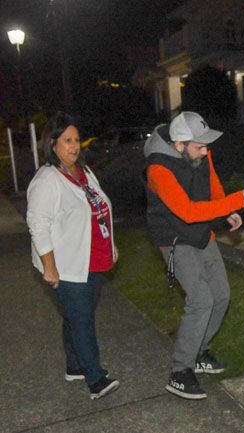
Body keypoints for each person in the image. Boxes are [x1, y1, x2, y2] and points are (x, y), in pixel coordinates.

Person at [144, 111, 244, 400]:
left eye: (206, 145)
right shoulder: (158, 170)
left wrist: (228, 209)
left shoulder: (199, 154)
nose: (206, 151)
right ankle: (180, 371)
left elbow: (211, 184)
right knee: (201, 300)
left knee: (221, 295)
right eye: (200, 146)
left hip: (201, 234)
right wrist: (239, 200)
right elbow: (186, 212)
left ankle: (199, 352)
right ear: (179, 145)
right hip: (175, 238)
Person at [26, 111, 120, 400]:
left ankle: (74, 365)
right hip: (66, 263)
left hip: (91, 258)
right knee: (81, 319)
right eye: (67, 140)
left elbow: (99, 208)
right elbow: (38, 225)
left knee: (77, 314)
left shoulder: (83, 171)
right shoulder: (47, 179)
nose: (74, 145)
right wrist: (49, 267)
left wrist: (111, 244)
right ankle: (95, 378)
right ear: (52, 143)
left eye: (77, 139)